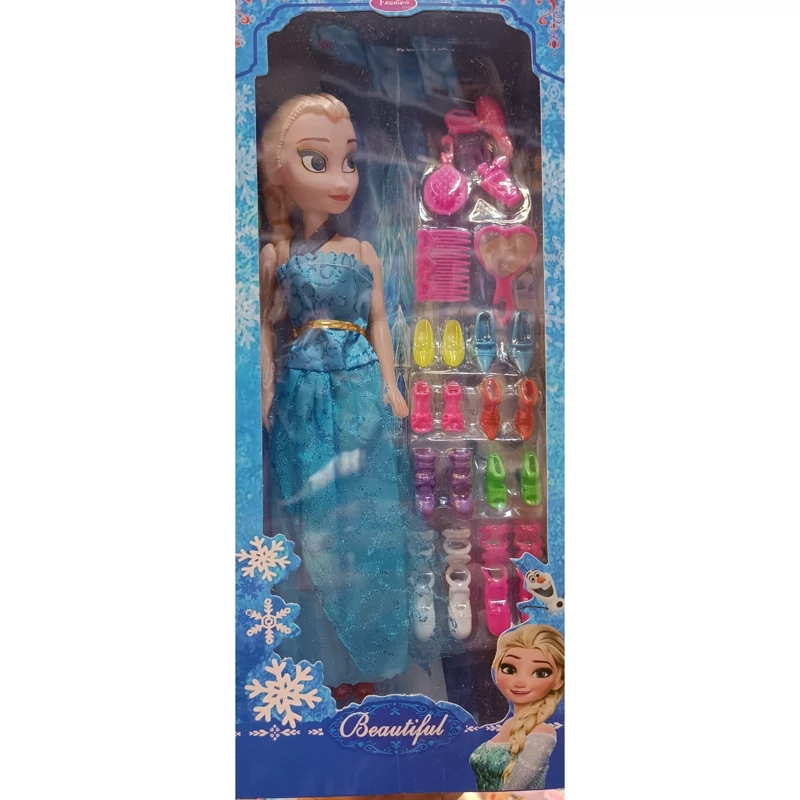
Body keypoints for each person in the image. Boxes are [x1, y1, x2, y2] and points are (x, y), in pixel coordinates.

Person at [469, 625, 565, 790]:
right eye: (509, 669)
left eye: (540, 673)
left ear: (558, 681)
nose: (520, 682)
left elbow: (513, 789)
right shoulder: (509, 724)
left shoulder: (543, 733)